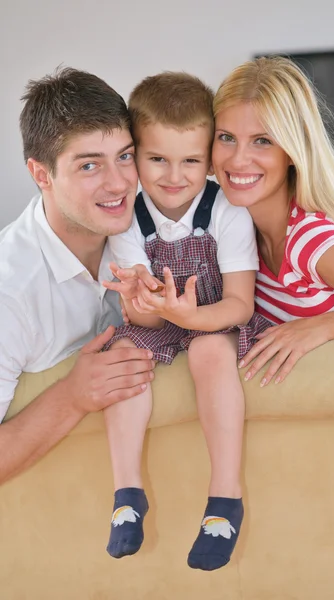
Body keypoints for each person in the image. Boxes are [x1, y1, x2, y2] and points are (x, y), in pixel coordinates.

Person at [101, 72, 270, 570]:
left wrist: (193, 316)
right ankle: (127, 493)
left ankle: (224, 498)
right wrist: (142, 301)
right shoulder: (126, 216)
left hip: (215, 316)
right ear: (134, 155)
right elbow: (142, 320)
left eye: (191, 161)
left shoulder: (227, 211)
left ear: (209, 158)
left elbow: (239, 305)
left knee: (209, 350)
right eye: (157, 159)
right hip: (161, 318)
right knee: (122, 356)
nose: (174, 177)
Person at [0, 68, 155, 486]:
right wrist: (72, 397)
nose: (120, 182)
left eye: (125, 156)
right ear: (41, 175)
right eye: (90, 165)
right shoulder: (8, 293)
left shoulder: (157, 229)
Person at [211, 56, 334, 386]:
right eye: (226, 137)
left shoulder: (312, 244)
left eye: (263, 140)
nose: (238, 159)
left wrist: (326, 326)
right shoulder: (233, 232)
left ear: (292, 151)